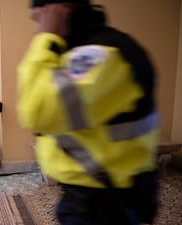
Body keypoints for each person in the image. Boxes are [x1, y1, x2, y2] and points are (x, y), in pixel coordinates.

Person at [16, 0, 159, 224]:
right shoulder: (83, 51)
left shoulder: (101, 55)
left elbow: (37, 112)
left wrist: (46, 36)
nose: (38, 27)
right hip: (95, 193)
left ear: (61, 8)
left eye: (40, 17)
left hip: (104, 201)